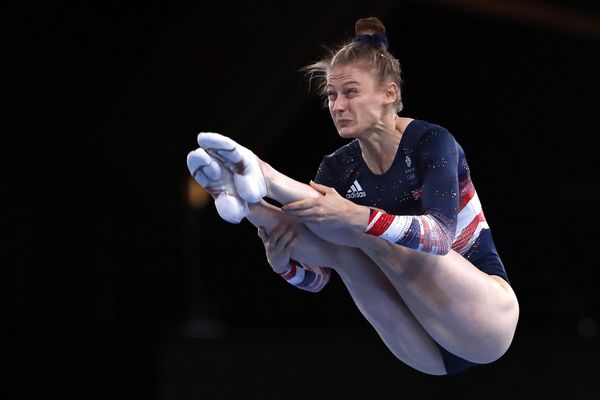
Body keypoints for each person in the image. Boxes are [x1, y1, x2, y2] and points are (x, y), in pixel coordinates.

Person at [186, 16, 519, 375]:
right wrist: (283, 265)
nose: (337, 106)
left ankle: (264, 175)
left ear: (389, 94)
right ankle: (248, 204)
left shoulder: (431, 142)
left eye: (350, 92)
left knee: (363, 232)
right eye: (331, 95)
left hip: (483, 320)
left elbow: (438, 238)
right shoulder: (338, 169)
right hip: (426, 350)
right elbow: (319, 279)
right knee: (345, 252)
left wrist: (355, 216)